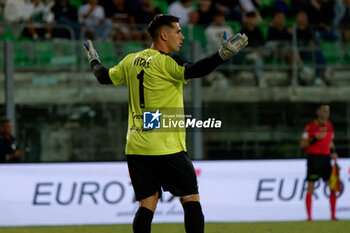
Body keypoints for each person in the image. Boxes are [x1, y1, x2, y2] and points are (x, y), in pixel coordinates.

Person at [83, 14, 248, 233]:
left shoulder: (130, 60)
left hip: (136, 146)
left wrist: (93, 59)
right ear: (164, 35)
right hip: (165, 145)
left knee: (147, 205)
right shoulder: (166, 62)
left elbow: (103, 77)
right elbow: (195, 70)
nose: (182, 37)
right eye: (178, 31)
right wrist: (222, 55)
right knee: (190, 200)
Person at [300, 104, 338, 221]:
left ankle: (332, 216)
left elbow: (331, 142)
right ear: (318, 112)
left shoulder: (330, 126)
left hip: (326, 159)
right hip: (313, 159)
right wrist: (314, 139)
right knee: (311, 186)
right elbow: (302, 144)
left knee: (332, 186)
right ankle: (309, 217)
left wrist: (333, 152)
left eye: (327, 110)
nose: (326, 113)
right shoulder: (310, 127)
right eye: (323, 110)